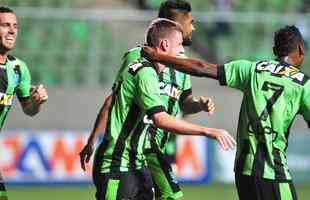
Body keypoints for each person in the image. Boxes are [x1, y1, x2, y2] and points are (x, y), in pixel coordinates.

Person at [143, 25, 310, 200]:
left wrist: (158, 56)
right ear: (300, 49)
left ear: (275, 50)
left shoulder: (252, 69)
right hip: (274, 172)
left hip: (243, 172)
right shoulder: (304, 85)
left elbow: (201, 67)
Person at [80, 1, 217, 199]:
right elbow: (114, 99)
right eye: (190, 21)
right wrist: (92, 139)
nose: (193, 27)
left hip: (155, 149)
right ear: (174, 25)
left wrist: (199, 105)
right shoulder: (139, 58)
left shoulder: (182, 65)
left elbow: (184, 102)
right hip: (136, 149)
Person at [0, 6, 48, 200]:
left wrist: (36, 102)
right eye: (5, 25)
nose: (12, 31)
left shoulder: (18, 69)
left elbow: (29, 110)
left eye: (15, 26)